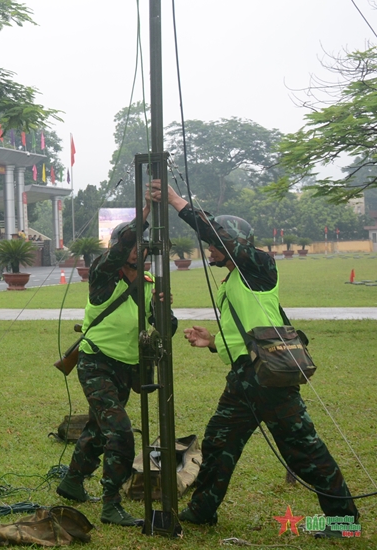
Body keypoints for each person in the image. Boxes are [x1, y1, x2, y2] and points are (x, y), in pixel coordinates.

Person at [153, 181, 359, 536]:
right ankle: (202, 510)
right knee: (219, 443)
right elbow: (250, 329)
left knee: (303, 452)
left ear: (233, 244)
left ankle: (345, 522)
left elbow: (220, 235)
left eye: (216, 244)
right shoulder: (234, 280)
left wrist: (176, 201)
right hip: (244, 381)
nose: (210, 250)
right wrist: (214, 342)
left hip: (270, 381)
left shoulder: (258, 267)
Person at [56, 193, 173, 527]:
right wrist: (145, 213)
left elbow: (169, 327)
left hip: (127, 368)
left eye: (143, 245)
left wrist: (165, 310)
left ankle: (72, 482)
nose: (138, 249)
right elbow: (119, 250)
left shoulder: (150, 285)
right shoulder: (103, 276)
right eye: (132, 244)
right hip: (97, 363)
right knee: (120, 433)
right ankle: (111, 504)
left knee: (98, 428)